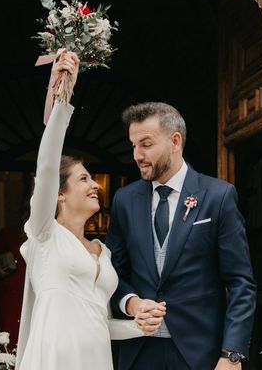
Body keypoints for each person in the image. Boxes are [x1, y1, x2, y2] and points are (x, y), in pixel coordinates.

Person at [15, 51, 164, 370]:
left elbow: (100, 323)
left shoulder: (103, 252)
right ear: (59, 194)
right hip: (54, 360)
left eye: (92, 178)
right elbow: (47, 166)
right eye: (84, 178)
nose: (95, 185)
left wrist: (138, 325)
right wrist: (61, 100)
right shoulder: (44, 234)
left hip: (95, 360)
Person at [106, 102, 257, 370]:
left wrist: (232, 353)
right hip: (139, 352)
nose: (137, 155)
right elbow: (113, 273)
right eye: (133, 145)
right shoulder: (124, 201)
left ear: (175, 141)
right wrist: (131, 304)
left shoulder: (218, 197)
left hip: (199, 354)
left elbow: (240, 282)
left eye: (146, 144)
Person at [0, 202, 29, 352]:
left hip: (33, 296)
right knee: (8, 337)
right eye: (26, 212)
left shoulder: (44, 238)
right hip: (11, 296)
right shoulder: (9, 235)